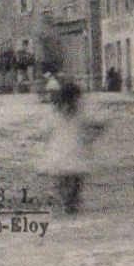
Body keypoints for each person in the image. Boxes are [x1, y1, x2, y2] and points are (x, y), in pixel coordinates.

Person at [37, 81, 106, 215]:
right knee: (69, 178)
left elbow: (43, 129)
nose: (69, 106)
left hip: (66, 151)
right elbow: (98, 124)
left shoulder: (73, 114)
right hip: (69, 151)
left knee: (70, 178)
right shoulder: (73, 114)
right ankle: (69, 201)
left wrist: (92, 136)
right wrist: (92, 137)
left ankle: (70, 201)